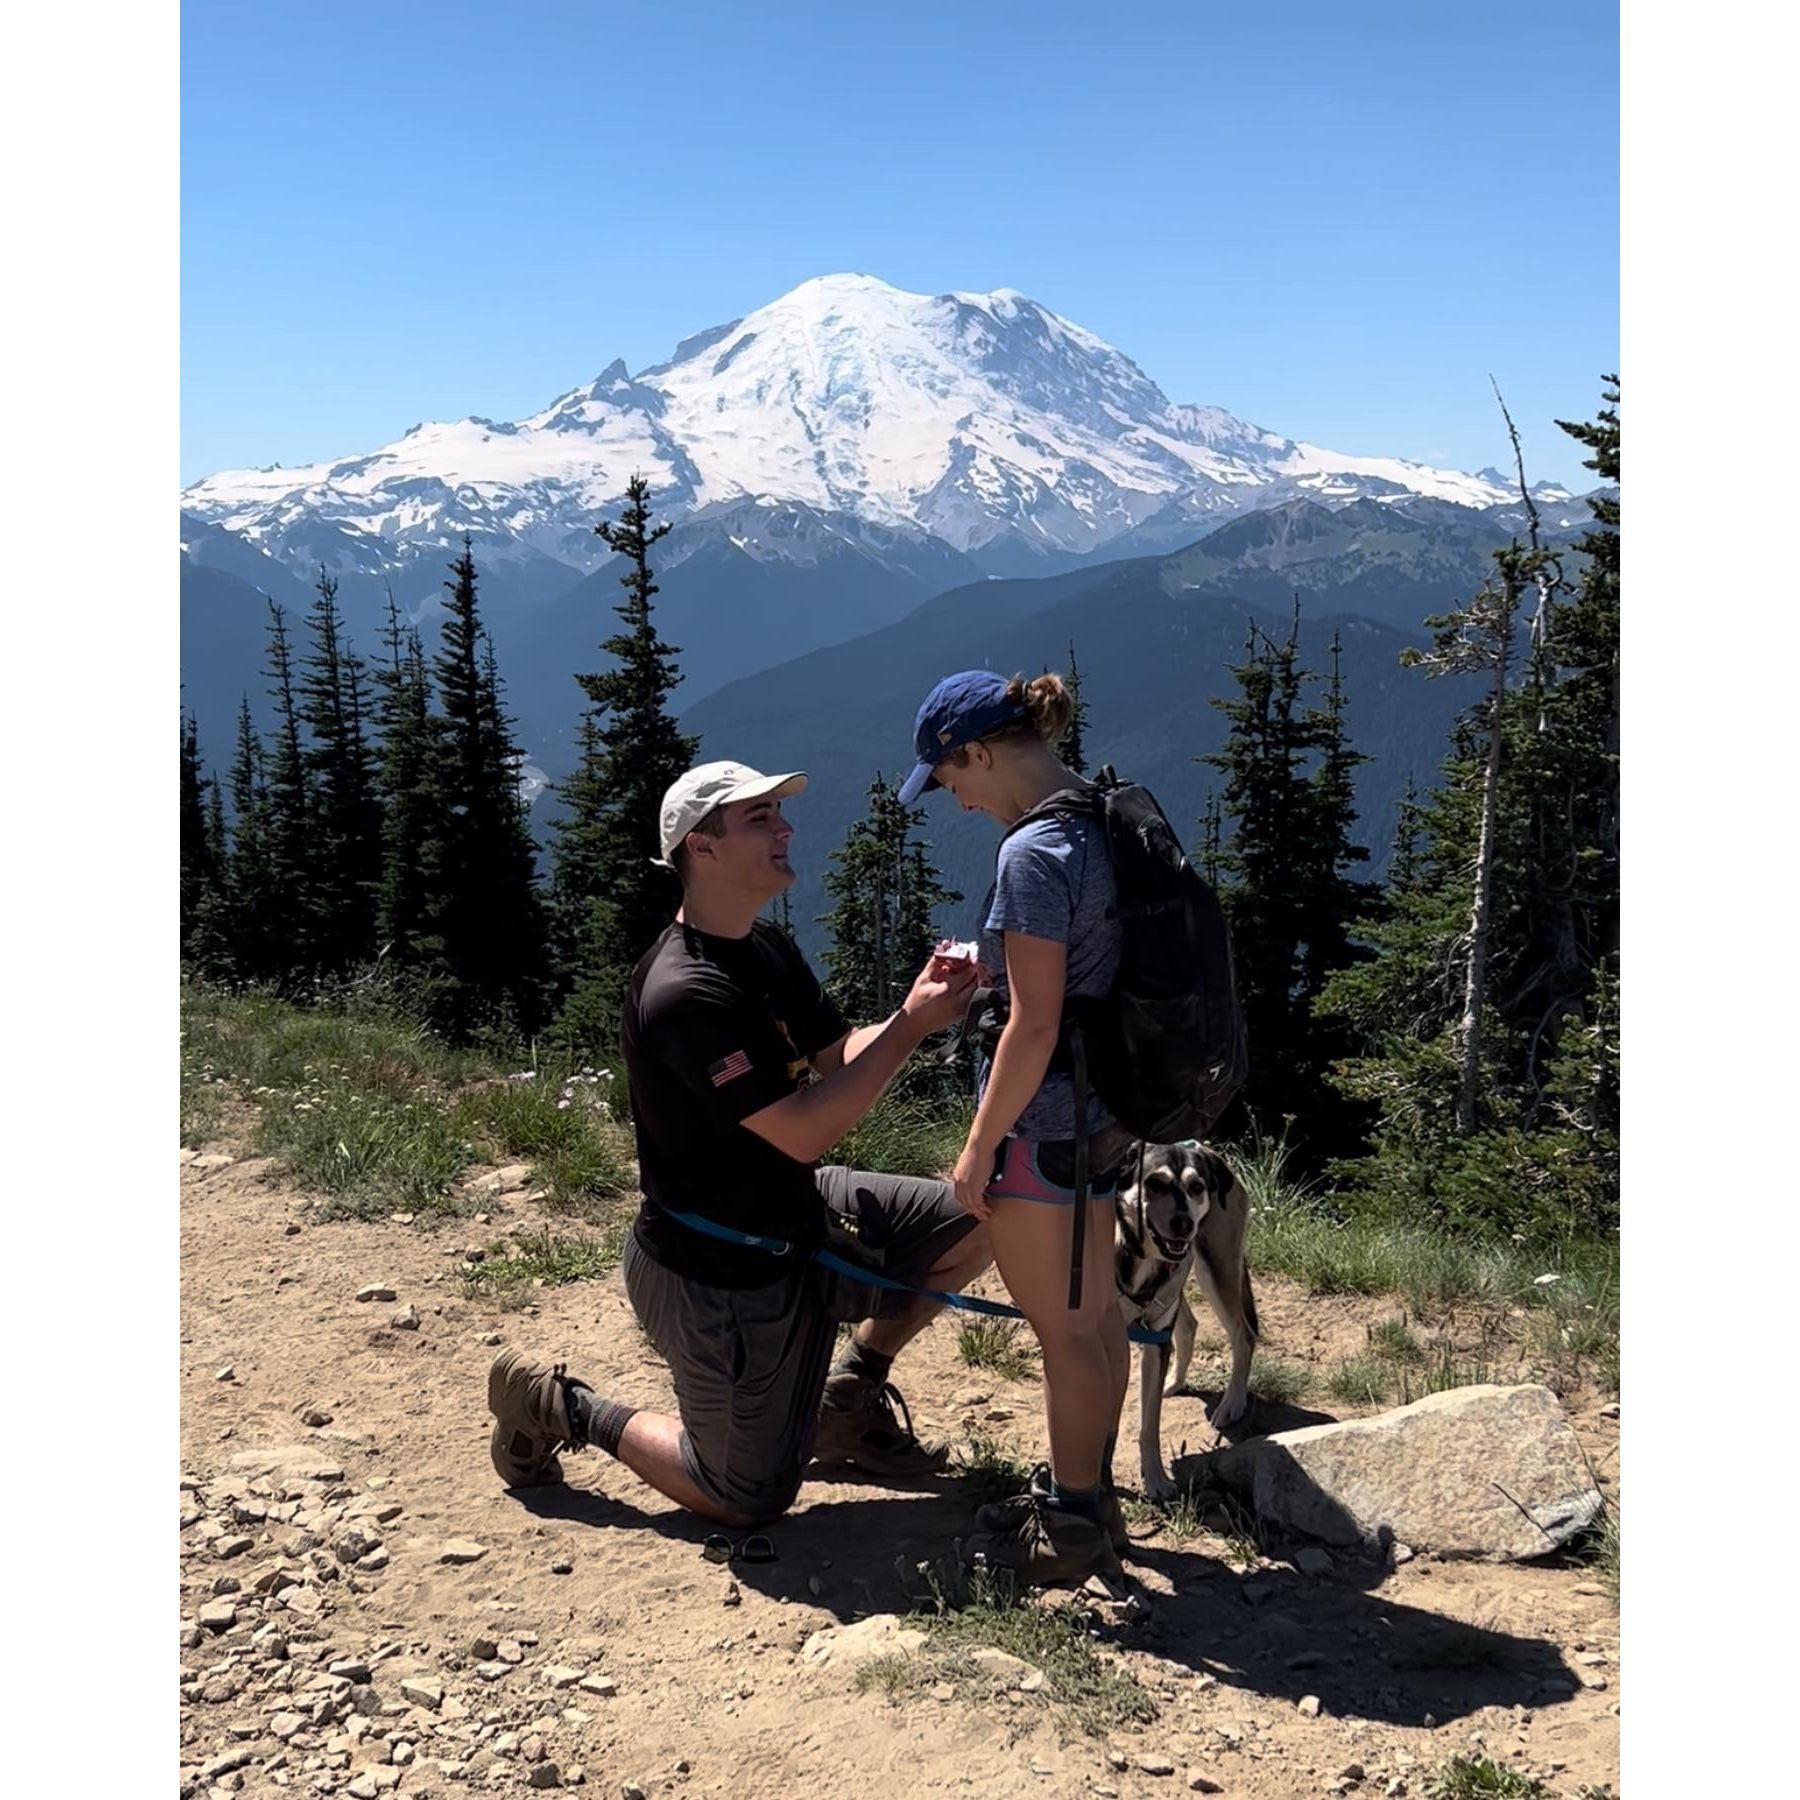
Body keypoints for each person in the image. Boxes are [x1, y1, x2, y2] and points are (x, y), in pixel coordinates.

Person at [487, 760, 992, 1530]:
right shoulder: (683, 992)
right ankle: (562, 1406)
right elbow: (805, 1130)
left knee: (984, 1212)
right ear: (702, 848)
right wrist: (914, 1030)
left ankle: (847, 1398)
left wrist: (914, 1010)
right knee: (745, 1497)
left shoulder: (762, 948)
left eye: (776, 813)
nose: (786, 828)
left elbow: (833, 1057)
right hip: (713, 1269)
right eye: (759, 818)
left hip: (792, 1212)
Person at [896, 670, 1133, 1585]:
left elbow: (1034, 1023)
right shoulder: (1100, 814)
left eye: (950, 778)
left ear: (980, 753)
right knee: (1096, 1315)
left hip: (1046, 1122)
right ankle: (1091, 1495)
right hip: (1107, 1110)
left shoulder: (1031, 855)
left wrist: (979, 1145)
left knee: (1063, 1330)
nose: (954, 800)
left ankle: (1071, 1527)